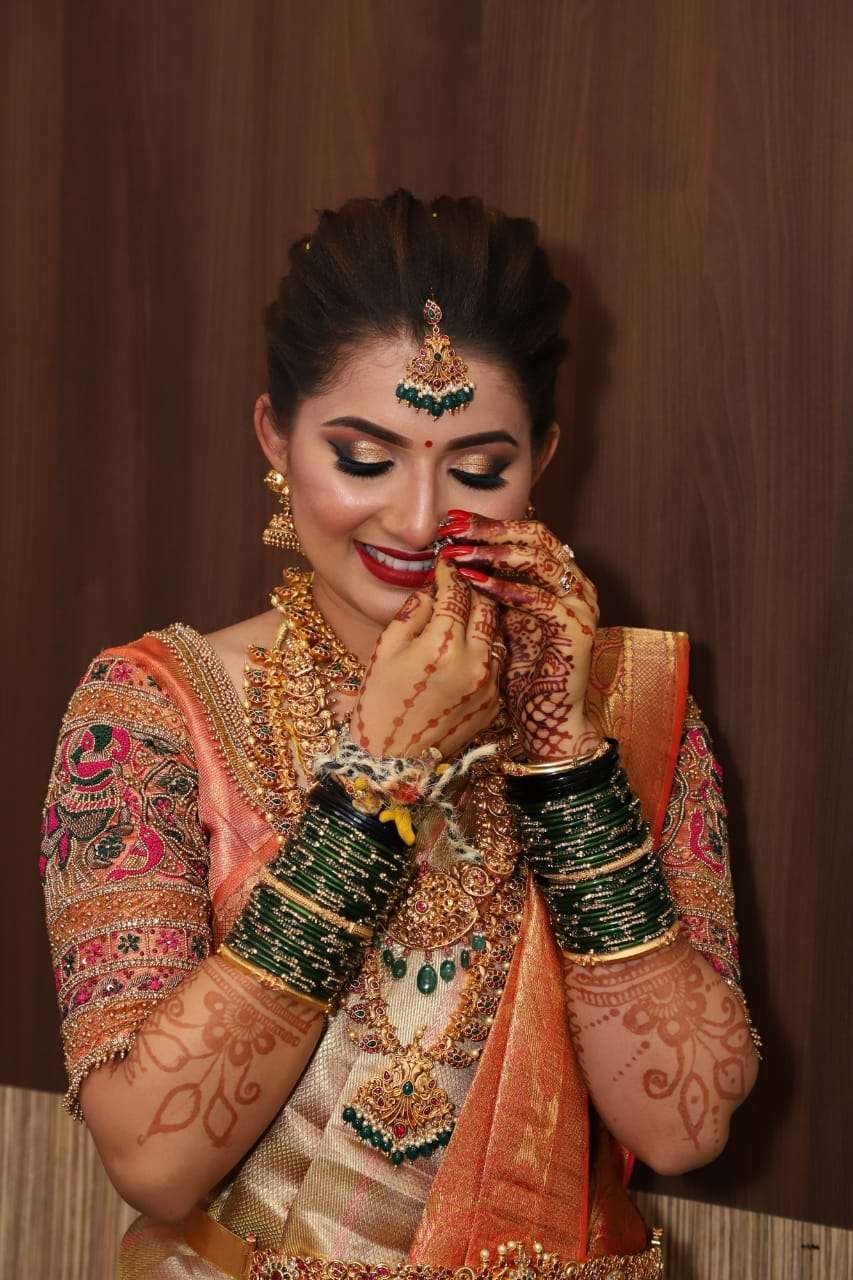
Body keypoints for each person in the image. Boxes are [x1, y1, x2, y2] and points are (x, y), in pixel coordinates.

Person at [39, 190, 761, 1280]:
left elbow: (684, 1126)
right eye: (364, 458)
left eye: (477, 469)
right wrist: (375, 792)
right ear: (275, 436)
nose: (420, 521)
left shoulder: (625, 713)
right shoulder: (151, 714)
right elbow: (154, 1158)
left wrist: (564, 758)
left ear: (541, 457)